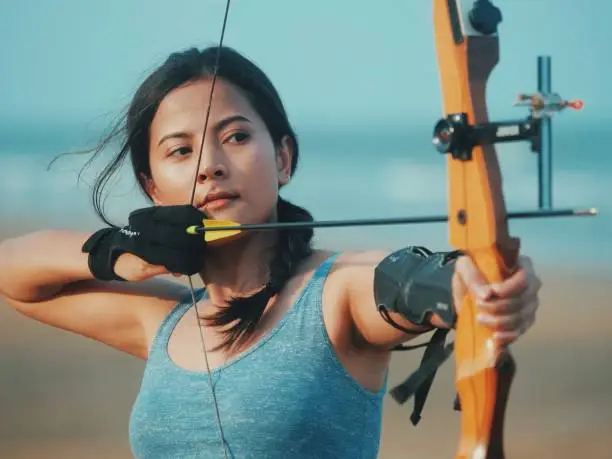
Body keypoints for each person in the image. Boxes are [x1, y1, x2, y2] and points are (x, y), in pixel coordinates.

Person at [0, 46, 541, 459]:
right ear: (153, 188)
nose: (210, 163)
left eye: (235, 137)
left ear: (283, 157)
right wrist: (123, 255)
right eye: (180, 150)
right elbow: (14, 271)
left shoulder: (333, 295)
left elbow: (404, 281)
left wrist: (472, 282)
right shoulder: (164, 322)